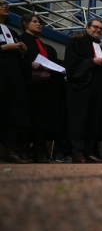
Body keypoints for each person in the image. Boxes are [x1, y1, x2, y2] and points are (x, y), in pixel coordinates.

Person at [64, 19, 102, 163]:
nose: (98, 30)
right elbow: (71, 66)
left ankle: (90, 151)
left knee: (95, 119)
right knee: (80, 119)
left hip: (99, 89)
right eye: (95, 27)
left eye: (101, 29)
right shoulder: (75, 43)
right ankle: (77, 152)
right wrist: (92, 62)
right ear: (87, 28)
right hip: (81, 88)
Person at [20, 13, 66, 163]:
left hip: (45, 88)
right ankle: (25, 151)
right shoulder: (20, 41)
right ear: (25, 24)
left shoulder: (45, 46)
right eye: (34, 21)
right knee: (29, 120)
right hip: (29, 86)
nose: (39, 24)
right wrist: (30, 64)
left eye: (40, 22)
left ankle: (38, 152)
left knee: (42, 121)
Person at [0, 0, 32, 163]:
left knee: (13, 113)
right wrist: (7, 47)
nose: (5, 6)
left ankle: (10, 149)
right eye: (0, 4)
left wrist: (21, 51)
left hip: (13, 77)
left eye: (6, 3)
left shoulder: (12, 32)